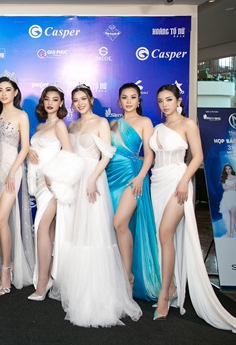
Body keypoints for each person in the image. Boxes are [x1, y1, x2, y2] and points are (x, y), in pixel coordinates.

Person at [150, 84, 235, 331]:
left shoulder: (188, 124)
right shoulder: (157, 128)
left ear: (179, 100)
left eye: (169, 99)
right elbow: (152, 158)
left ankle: (164, 296)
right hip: (157, 182)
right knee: (161, 238)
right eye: (160, 100)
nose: (164, 104)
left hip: (178, 181)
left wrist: (184, 181)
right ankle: (172, 286)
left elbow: (197, 156)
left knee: (165, 233)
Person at [58, 84, 141, 327]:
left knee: (95, 235)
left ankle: (99, 298)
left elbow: (107, 155)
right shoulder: (72, 126)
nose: (80, 103)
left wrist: (93, 178)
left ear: (91, 99)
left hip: (93, 180)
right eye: (76, 100)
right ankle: (79, 293)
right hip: (75, 182)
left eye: (83, 98)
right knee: (78, 235)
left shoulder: (102, 122)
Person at [106, 83, 161, 301]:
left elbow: (149, 155)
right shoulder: (112, 124)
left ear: (139, 100)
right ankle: (116, 276)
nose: (129, 101)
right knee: (118, 229)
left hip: (133, 177)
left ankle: (127, 276)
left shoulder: (145, 122)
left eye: (133, 97)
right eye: (124, 97)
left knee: (120, 223)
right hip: (111, 177)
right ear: (119, 101)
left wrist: (140, 177)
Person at [25, 86, 76, 302]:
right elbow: (37, 150)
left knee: (41, 228)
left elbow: (69, 154)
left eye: (55, 99)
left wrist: (52, 174)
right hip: (38, 183)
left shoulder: (60, 125)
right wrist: (29, 150)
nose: (50, 103)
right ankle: (51, 277)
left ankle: (42, 283)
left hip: (52, 184)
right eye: (47, 99)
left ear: (61, 103)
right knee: (50, 231)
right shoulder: (40, 126)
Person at [0, 76, 34, 296]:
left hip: (11, 170)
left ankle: (6, 269)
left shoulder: (22, 115)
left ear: (15, 92)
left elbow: (25, 148)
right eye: (0, 90)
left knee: (1, 218)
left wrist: (13, 172)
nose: (4, 93)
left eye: (8, 89)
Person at [219, 163, 236, 238]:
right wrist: (232, 186)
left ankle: (232, 234)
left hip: (233, 196)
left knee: (233, 214)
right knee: (230, 215)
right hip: (226, 197)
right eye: (226, 169)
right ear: (225, 170)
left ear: (231, 169)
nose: (228, 170)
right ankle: (232, 232)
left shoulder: (235, 177)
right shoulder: (223, 178)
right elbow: (224, 188)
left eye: (229, 168)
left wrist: (229, 188)